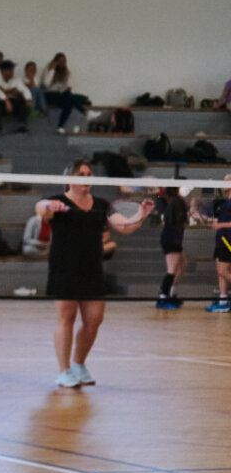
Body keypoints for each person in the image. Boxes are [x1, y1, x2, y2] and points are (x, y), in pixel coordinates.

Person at [36, 161, 150, 386]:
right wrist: (49, 205)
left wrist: (142, 214)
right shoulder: (58, 201)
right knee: (66, 318)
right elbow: (40, 208)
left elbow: (124, 226)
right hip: (64, 268)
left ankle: (78, 364)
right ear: (70, 179)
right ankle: (64, 371)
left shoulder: (101, 205)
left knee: (94, 320)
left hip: (92, 269)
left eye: (89, 174)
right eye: (82, 174)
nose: (87, 178)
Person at [154, 185, 192, 309]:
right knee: (172, 269)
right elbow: (181, 219)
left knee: (182, 266)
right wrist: (190, 212)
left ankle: (170, 293)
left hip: (174, 238)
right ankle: (163, 297)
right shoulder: (177, 201)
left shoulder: (174, 201)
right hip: (171, 239)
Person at [41, 53, 89, 134]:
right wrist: (53, 69)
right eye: (60, 61)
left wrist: (67, 87)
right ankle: (85, 112)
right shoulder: (49, 69)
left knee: (69, 103)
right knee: (69, 97)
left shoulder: (66, 72)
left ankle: (60, 127)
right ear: (55, 61)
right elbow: (46, 84)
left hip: (60, 95)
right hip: (48, 94)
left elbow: (68, 85)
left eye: (64, 61)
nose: (62, 63)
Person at [207, 183, 231, 312]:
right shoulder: (224, 202)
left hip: (228, 241)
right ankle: (223, 301)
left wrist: (221, 225)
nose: (223, 183)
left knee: (223, 271)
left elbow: (222, 223)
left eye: (227, 180)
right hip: (220, 240)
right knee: (220, 272)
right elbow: (218, 221)